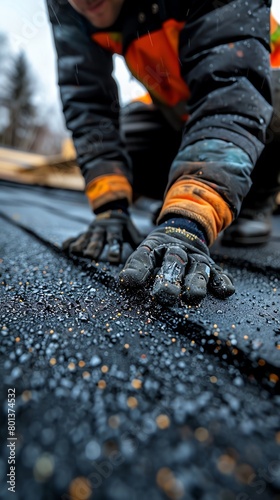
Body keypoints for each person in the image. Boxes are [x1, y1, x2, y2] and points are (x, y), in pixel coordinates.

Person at [46, 0, 273, 306]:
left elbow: (232, 96)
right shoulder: (69, 6)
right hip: (185, 111)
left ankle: (256, 198)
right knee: (128, 148)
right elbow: (88, 104)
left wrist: (189, 220)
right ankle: (198, 187)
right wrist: (111, 205)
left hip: (260, 101)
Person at [221, 12, 280, 246]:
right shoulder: (114, 17)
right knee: (138, 119)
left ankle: (255, 201)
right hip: (187, 111)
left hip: (246, 102)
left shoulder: (241, 10)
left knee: (273, 92)